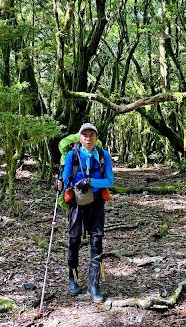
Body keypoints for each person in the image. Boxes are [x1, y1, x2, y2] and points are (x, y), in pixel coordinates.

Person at [54, 122, 113, 302]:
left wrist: (90, 181)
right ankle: (73, 279)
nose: (88, 138)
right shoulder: (72, 155)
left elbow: (109, 181)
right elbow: (65, 178)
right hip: (77, 203)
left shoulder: (104, 156)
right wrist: (60, 184)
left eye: (92, 135)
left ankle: (93, 286)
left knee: (97, 241)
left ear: (96, 138)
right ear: (80, 138)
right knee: (74, 241)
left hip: (96, 203)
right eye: (85, 135)